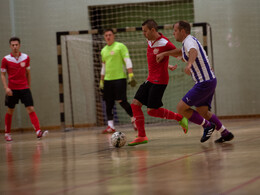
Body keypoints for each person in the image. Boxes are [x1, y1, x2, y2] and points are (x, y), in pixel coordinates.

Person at [156, 21, 234, 143]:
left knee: (181, 108)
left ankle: (207, 126)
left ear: (182, 31)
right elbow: (180, 53)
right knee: (203, 112)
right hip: (209, 81)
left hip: (204, 83)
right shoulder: (186, 43)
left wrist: (190, 64)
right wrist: (165, 53)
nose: (173, 33)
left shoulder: (189, 41)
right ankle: (225, 133)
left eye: (175, 30)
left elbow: (193, 52)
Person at [128, 19, 188, 146]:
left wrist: (189, 63)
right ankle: (141, 136)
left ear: (153, 30)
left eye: (145, 31)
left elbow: (180, 52)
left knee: (152, 111)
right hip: (150, 78)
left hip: (160, 80)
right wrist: (168, 64)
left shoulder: (165, 42)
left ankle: (180, 118)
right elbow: (156, 60)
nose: (143, 33)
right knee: (135, 104)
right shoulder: (149, 40)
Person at [1, 37, 48, 141]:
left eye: (16, 45)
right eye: (13, 45)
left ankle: (38, 132)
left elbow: (28, 73)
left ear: (19, 45)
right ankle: (7, 133)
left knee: (30, 108)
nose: (15, 47)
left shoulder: (26, 58)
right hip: (12, 89)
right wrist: (6, 87)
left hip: (24, 88)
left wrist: (28, 86)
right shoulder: (5, 59)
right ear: (10, 46)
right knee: (10, 110)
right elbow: (3, 74)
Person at [100, 29, 137, 134]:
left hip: (120, 79)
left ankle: (134, 119)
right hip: (107, 80)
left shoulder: (120, 46)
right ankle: (110, 126)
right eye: (106, 35)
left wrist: (131, 75)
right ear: (104, 37)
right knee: (108, 103)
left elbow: (127, 60)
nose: (108, 37)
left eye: (110, 35)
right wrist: (101, 81)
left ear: (113, 36)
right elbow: (104, 66)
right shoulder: (103, 50)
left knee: (122, 101)